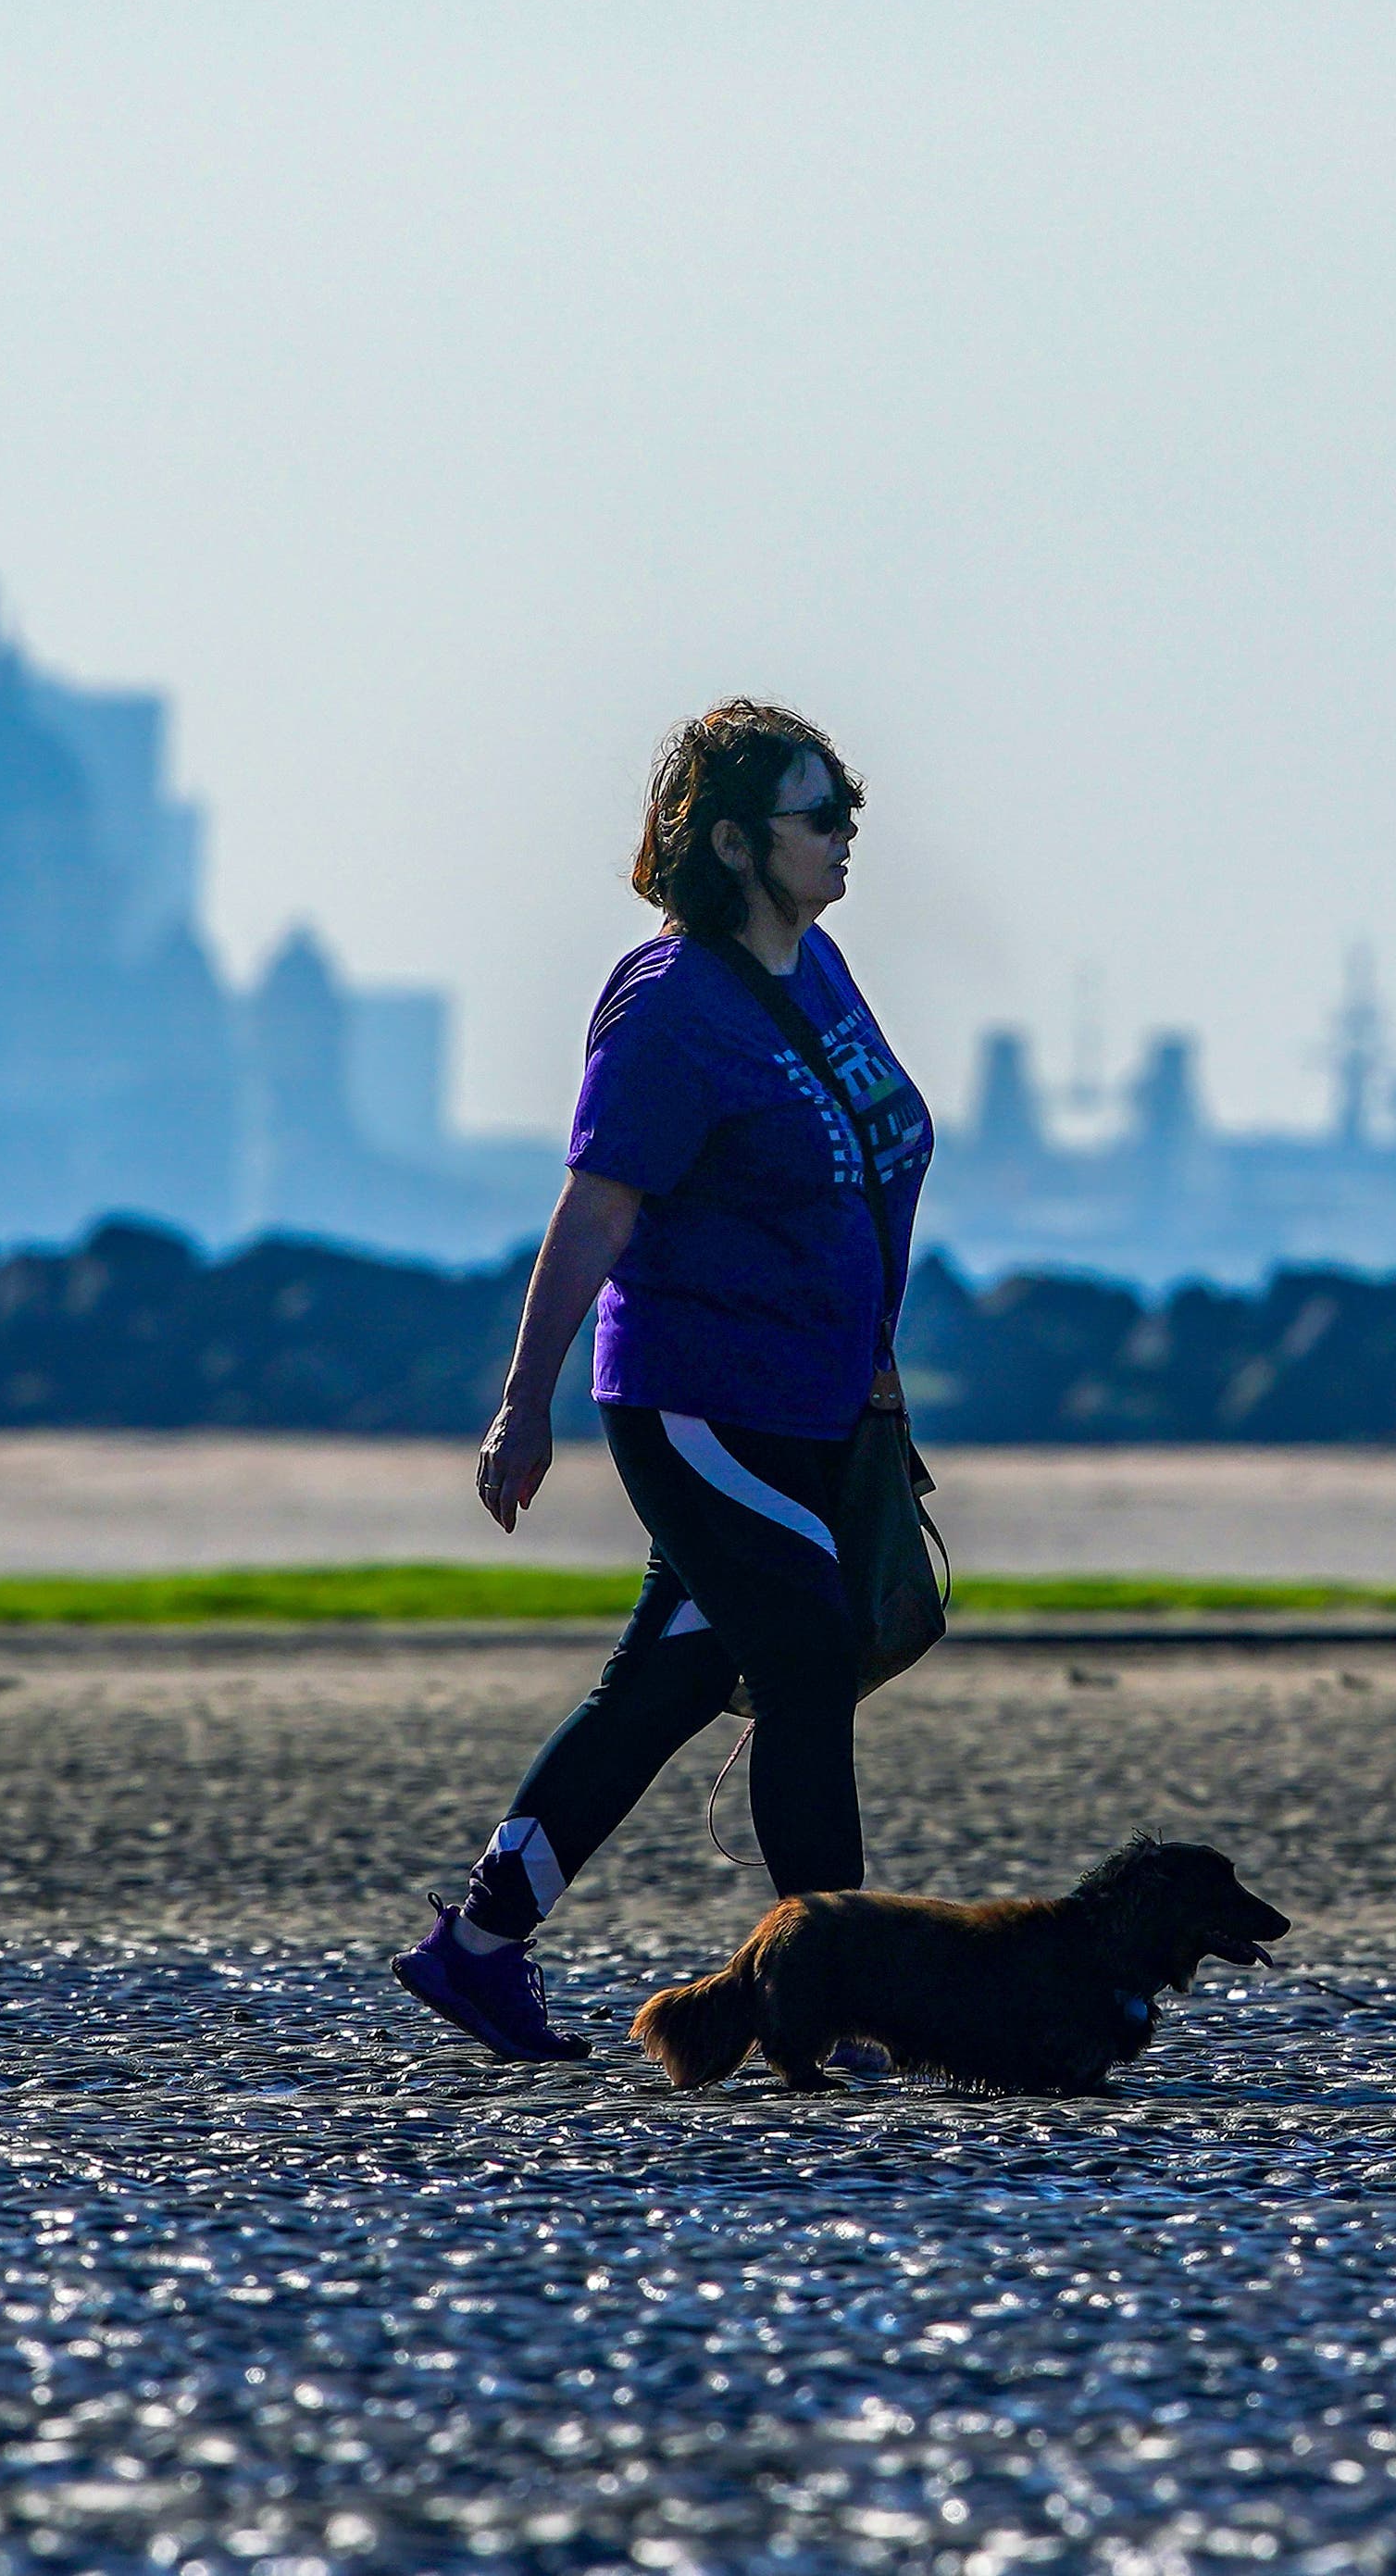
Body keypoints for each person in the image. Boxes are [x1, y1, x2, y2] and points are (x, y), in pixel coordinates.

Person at [393, 700, 936, 2060]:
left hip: (817, 1399)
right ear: (743, 841)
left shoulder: (815, 968)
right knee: (807, 1652)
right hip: (699, 1401)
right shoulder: (673, 1007)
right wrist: (525, 1405)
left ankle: (474, 1949)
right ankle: (845, 1993)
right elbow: (594, 1215)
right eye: (824, 818)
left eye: (849, 813)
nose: (846, 839)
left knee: (671, 1681)